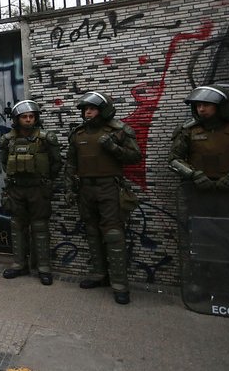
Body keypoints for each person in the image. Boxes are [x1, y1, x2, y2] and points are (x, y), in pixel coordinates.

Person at [168, 86, 229, 304]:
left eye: (206, 105)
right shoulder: (189, 131)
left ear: (220, 107)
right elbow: (174, 159)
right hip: (200, 195)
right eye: (198, 105)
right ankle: (202, 286)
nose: (201, 109)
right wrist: (194, 175)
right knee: (201, 243)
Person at [65, 92, 141, 305]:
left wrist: (113, 148)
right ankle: (99, 274)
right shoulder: (78, 134)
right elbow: (70, 164)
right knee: (91, 232)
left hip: (109, 187)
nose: (87, 112)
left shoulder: (118, 131)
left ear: (104, 110)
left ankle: (119, 284)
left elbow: (136, 156)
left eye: (92, 108)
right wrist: (69, 189)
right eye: (85, 109)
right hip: (85, 189)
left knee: (114, 234)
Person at [0, 100, 62, 285]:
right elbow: (4, 162)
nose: (28, 120)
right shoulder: (8, 140)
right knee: (17, 226)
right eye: (24, 117)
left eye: (31, 116)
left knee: (40, 228)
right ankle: (19, 264)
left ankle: (43, 267)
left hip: (38, 190)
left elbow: (56, 163)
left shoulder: (46, 138)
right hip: (16, 189)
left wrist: (44, 180)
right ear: (17, 119)